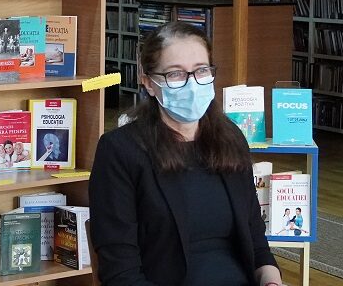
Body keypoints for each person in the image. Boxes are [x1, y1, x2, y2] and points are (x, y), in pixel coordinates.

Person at [89, 21, 282, 286]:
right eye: (176, 74)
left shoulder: (231, 138)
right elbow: (121, 274)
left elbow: (257, 244)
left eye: (201, 70)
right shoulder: (120, 151)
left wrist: (271, 281)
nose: (192, 84)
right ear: (149, 83)